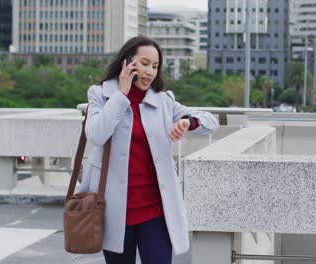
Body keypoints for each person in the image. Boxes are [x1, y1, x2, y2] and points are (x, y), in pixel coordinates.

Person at [79, 36, 219, 264]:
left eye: (155, 66)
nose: (150, 72)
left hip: (155, 211)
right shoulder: (100, 94)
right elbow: (95, 134)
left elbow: (210, 121)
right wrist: (121, 95)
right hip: (114, 211)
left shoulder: (163, 101)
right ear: (127, 62)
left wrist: (188, 122)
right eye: (145, 63)